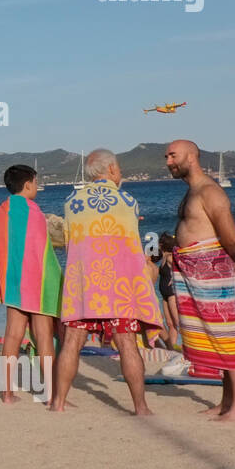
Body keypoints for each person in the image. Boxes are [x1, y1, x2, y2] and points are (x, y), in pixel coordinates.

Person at [49, 149, 161, 416]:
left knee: (72, 342)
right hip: (119, 287)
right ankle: (141, 407)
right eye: (119, 168)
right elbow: (132, 242)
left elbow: (69, 242)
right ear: (111, 169)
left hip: (84, 285)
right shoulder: (128, 201)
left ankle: (58, 403)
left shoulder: (70, 201)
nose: (120, 173)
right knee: (127, 344)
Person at [165, 139, 235, 421]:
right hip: (197, 273)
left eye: (172, 155)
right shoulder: (192, 192)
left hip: (212, 273)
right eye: (166, 156)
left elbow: (232, 237)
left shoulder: (210, 192)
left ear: (191, 157)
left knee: (227, 336)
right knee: (216, 337)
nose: (168, 161)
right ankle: (227, 403)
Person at [0, 164, 62, 405]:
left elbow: (4, 249)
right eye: (36, 183)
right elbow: (43, 252)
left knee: (12, 335)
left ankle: (7, 394)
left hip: (13, 282)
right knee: (44, 337)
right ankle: (52, 396)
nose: (37, 188)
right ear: (28, 184)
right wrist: (56, 281)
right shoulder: (33, 210)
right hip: (38, 284)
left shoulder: (2, 210)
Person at [155, 233, 180, 343]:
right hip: (164, 295)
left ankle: (192, 346)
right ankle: (173, 347)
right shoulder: (164, 258)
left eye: (158, 243)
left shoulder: (170, 257)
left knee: (178, 322)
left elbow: (182, 269)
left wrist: (175, 278)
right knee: (170, 323)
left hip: (172, 294)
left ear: (162, 244)